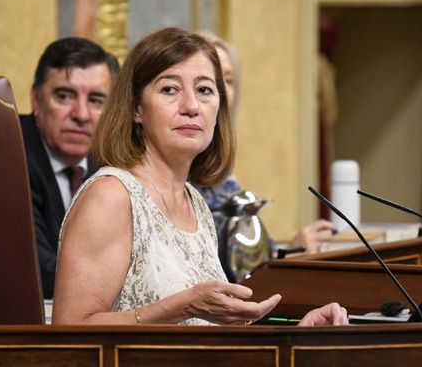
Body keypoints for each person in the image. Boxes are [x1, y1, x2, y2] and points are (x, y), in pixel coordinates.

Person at [52, 27, 348, 326]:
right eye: (169, 89)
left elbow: (207, 335)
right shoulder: (111, 197)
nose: (191, 106)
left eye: (204, 90)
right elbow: (70, 332)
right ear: (136, 109)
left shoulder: (195, 202)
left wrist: (297, 332)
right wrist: (184, 305)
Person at [194, 32, 336, 273]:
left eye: (228, 80)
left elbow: (244, 264)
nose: (222, 90)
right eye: (210, 81)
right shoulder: (181, 166)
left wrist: (292, 250)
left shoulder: (221, 168)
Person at [19, 37, 119, 298]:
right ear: (36, 101)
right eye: (64, 96)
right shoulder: (10, 154)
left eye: (96, 100)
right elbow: (41, 273)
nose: (81, 114)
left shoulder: (115, 163)